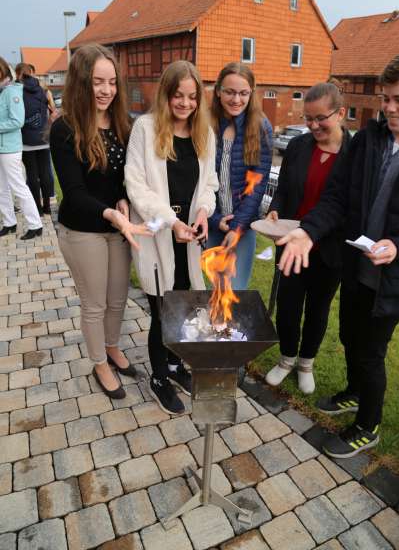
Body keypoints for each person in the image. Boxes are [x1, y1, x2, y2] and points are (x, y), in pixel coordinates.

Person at [277, 51, 399, 458]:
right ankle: (353, 392)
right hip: (355, 265)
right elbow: (338, 198)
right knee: (348, 336)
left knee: (370, 352)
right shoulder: (369, 140)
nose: (390, 107)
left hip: (394, 279)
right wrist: (308, 232)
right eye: (385, 98)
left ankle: (368, 425)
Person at [50, 43, 152, 400]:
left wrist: (123, 198)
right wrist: (110, 213)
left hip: (116, 227)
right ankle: (99, 362)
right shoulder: (64, 129)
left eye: (111, 82)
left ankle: (111, 346)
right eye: (97, 82)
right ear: (81, 82)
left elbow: (123, 178)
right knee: (94, 302)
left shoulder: (123, 124)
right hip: (82, 229)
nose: (106, 90)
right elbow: (74, 193)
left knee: (118, 298)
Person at [125, 60, 218, 415]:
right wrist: (170, 221)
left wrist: (203, 213)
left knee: (187, 309)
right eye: (178, 95)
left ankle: (177, 366)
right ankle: (160, 376)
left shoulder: (203, 133)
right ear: (166, 94)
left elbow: (209, 183)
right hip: (159, 235)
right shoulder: (145, 129)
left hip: (189, 237)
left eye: (192, 97)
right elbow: (136, 186)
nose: (185, 103)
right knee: (162, 311)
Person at [265, 82, 352, 393]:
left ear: (341, 113)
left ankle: (306, 364)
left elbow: (347, 207)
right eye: (308, 119)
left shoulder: (355, 155)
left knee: (318, 310)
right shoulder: (299, 146)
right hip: (291, 245)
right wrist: (275, 210)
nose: (314, 126)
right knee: (288, 306)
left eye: (321, 118)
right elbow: (284, 190)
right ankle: (286, 358)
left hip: (329, 252)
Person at [207, 62, 273, 289]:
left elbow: (257, 186)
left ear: (251, 93)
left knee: (235, 293)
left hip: (243, 228)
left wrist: (237, 227)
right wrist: (215, 218)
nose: (236, 100)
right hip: (210, 223)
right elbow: (199, 180)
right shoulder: (206, 124)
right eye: (230, 92)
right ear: (218, 91)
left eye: (243, 93)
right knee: (211, 292)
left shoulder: (261, 127)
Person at [0, 56, 43, 240]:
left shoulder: (12, 92)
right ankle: (9, 222)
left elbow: (17, 121)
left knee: (18, 187)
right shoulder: (2, 91)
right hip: (2, 148)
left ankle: (36, 224)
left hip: (10, 149)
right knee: (1, 188)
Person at [15, 63, 53, 215]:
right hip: (43, 139)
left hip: (26, 141)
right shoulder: (44, 89)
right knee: (45, 173)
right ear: (31, 72)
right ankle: (48, 207)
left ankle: (37, 208)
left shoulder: (16, 90)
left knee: (32, 175)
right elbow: (53, 110)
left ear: (18, 74)